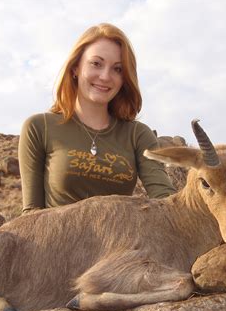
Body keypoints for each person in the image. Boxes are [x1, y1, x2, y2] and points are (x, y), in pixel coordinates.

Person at [19, 23, 175, 214]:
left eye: (117, 69)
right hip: (58, 242)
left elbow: (167, 202)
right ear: (75, 67)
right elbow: (31, 215)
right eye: (96, 63)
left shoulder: (138, 134)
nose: (105, 76)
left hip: (122, 242)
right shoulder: (39, 127)